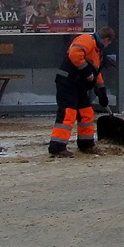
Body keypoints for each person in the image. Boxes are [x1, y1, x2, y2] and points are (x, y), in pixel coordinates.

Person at [47, 26, 114, 157]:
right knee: (68, 113)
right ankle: (57, 147)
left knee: (86, 112)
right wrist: (86, 72)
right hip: (68, 83)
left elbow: (96, 74)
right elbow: (75, 53)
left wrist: (102, 92)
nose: (108, 45)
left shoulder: (97, 51)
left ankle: (86, 144)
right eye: (109, 42)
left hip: (79, 86)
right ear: (106, 39)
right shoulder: (87, 40)